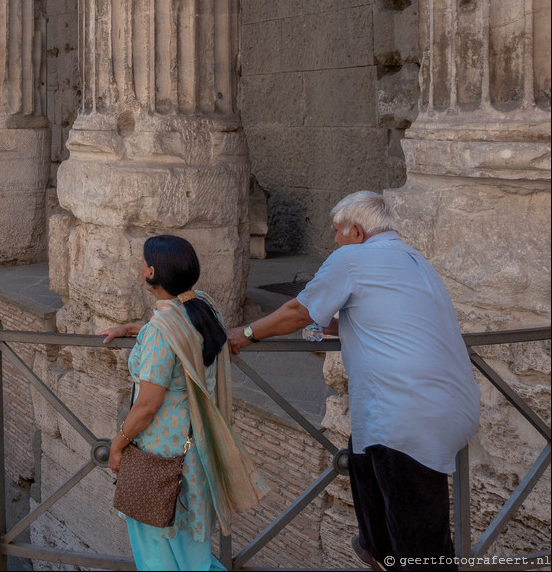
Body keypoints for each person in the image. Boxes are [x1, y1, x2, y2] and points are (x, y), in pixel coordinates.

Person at [225, 191, 480, 571]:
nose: (333, 242)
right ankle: (375, 549)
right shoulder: (415, 259)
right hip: (450, 407)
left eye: (337, 233)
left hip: (407, 418)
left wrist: (244, 333)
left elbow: (297, 312)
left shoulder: (352, 257)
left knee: (422, 553)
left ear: (357, 232)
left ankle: (384, 553)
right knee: (364, 457)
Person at [101, 235, 267, 571]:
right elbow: (184, 339)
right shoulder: (203, 305)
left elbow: (148, 404)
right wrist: (142, 328)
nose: (140, 265)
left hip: (161, 454)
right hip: (195, 449)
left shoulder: (163, 331)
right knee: (193, 555)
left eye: (142, 261)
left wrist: (118, 445)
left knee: (156, 549)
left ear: (151, 272)